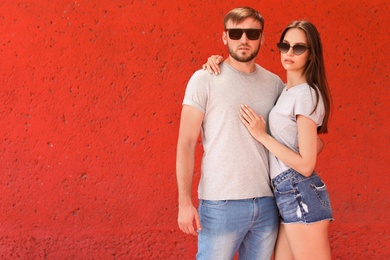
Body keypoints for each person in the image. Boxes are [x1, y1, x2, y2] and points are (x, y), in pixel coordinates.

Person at [205, 20, 333, 259]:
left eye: (299, 48)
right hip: (285, 192)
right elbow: (312, 144)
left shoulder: (306, 93)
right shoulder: (286, 90)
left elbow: (306, 164)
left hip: (298, 190)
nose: (290, 53)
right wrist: (221, 62)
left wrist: (261, 135)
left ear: (311, 53)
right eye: (285, 46)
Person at [176, 6, 284, 259]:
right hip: (220, 204)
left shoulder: (275, 84)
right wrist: (184, 202)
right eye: (235, 33)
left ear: (262, 38)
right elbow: (186, 143)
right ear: (224, 37)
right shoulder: (204, 79)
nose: (243, 40)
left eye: (251, 33)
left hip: (268, 203)